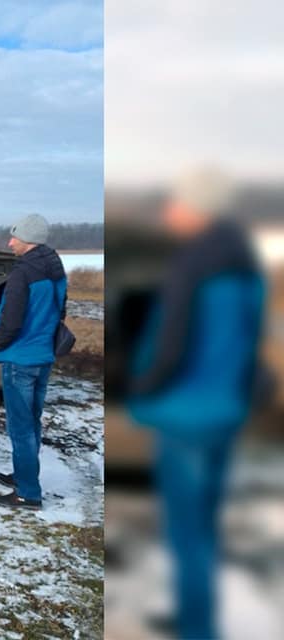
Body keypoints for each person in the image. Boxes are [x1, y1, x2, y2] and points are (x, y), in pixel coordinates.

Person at [125, 169, 265, 640]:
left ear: (196, 209)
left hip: (185, 414)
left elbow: (170, 344)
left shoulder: (192, 264)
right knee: (204, 524)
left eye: (177, 204)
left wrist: (142, 388)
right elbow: (252, 344)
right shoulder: (246, 264)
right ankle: (196, 613)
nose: (169, 213)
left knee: (188, 532)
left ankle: (197, 626)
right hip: (226, 410)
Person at [0, 214, 66, 510]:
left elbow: (11, 318)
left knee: (20, 427)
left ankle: (28, 493)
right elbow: (61, 309)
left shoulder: (23, 273)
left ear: (29, 240)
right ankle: (23, 475)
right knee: (31, 421)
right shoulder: (55, 268)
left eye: (14, 237)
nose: (10, 242)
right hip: (43, 355)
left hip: (20, 358)